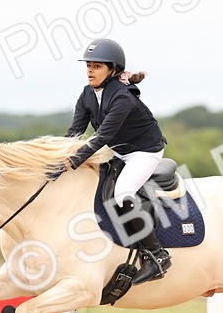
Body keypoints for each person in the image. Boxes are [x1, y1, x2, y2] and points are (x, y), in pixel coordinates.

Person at [56, 37, 171, 285]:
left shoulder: (123, 98)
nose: (89, 70)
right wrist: (58, 156)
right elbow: (74, 132)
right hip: (118, 151)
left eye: (96, 66)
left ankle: (157, 256)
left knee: (123, 193)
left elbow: (101, 136)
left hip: (144, 151)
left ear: (113, 70)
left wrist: (72, 162)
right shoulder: (87, 94)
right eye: (88, 65)